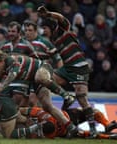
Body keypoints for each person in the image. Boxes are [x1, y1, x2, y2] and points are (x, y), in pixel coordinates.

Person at [0, 50, 78, 138]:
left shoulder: (11, 60)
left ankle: (67, 96)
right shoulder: (2, 69)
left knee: (40, 77)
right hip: (33, 80)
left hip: (43, 68)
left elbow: (13, 74)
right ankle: (71, 127)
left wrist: (3, 86)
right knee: (47, 106)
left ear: (2, 60)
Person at [37, 6, 98, 138]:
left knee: (82, 98)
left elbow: (60, 17)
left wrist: (48, 14)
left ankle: (93, 128)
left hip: (79, 65)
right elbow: (59, 48)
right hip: (67, 67)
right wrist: (51, 52)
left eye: (45, 28)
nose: (44, 31)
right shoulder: (54, 39)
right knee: (47, 79)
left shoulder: (64, 29)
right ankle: (66, 97)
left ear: (51, 27)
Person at [19, 106, 117, 139]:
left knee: (83, 134)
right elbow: (24, 110)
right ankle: (107, 127)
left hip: (68, 125)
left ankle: (108, 132)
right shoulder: (41, 114)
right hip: (69, 118)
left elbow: (23, 110)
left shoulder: (48, 135)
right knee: (91, 111)